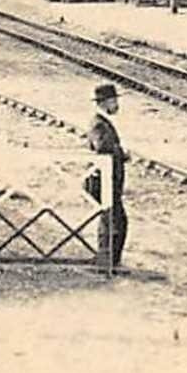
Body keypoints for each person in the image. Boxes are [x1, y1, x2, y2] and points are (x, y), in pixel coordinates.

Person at [86, 81, 130, 268]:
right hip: (102, 180)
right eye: (113, 101)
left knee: (113, 218)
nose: (116, 105)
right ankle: (107, 260)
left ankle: (109, 259)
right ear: (105, 102)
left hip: (109, 179)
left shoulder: (103, 122)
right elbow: (103, 148)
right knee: (113, 219)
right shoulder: (98, 124)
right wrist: (122, 153)